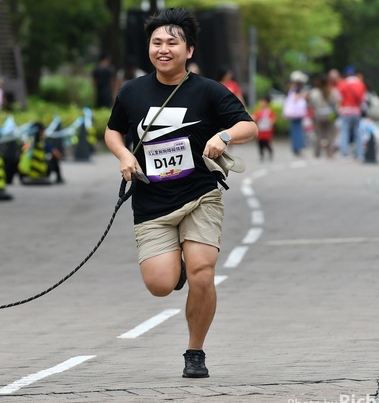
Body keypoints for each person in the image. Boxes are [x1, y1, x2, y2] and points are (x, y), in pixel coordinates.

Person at [104, 8, 258, 379]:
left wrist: (223, 136)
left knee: (203, 273)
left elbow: (249, 126)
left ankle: (195, 351)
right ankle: (179, 265)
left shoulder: (208, 90)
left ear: (188, 50)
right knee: (160, 285)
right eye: (156, 42)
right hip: (152, 201)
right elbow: (112, 131)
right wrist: (124, 155)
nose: (163, 49)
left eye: (172, 43)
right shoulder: (131, 91)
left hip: (200, 195)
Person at [337, 65, 367, 160]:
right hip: (357, 111)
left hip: (346, 111)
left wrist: (339, 109)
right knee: (357, 132)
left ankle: (345, 154)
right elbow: (363, 100)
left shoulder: (342, 84)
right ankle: (359, 154)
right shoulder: (361, 84)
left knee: (345, 132)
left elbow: (339, 98)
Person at [308, 73, 339, 158]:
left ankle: (317, 152)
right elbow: (336, 102)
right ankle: (330, 151)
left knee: (318, 134)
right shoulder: (332, 91)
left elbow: (311, 104)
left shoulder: (314, 92)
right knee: (330, 133)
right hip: (330, 114)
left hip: (318, 114)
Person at [282, 70, 309, 156]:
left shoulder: (291, 88)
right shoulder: (296, 89)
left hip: (294, 114)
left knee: (295, 130)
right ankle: (297, 147)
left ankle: (296, 147)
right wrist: (302, 95)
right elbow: (295, 98)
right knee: (297, 130)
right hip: (297, 113)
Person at [252, 95, 275, 161]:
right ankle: (261, 155)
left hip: (267, 130)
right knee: (260, 143)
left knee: (266, 143)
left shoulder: (270, 111)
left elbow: (273, 119)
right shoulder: (259, 111)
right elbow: (254, 117)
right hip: (260, 130)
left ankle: (270, 152)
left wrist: (270, 122)